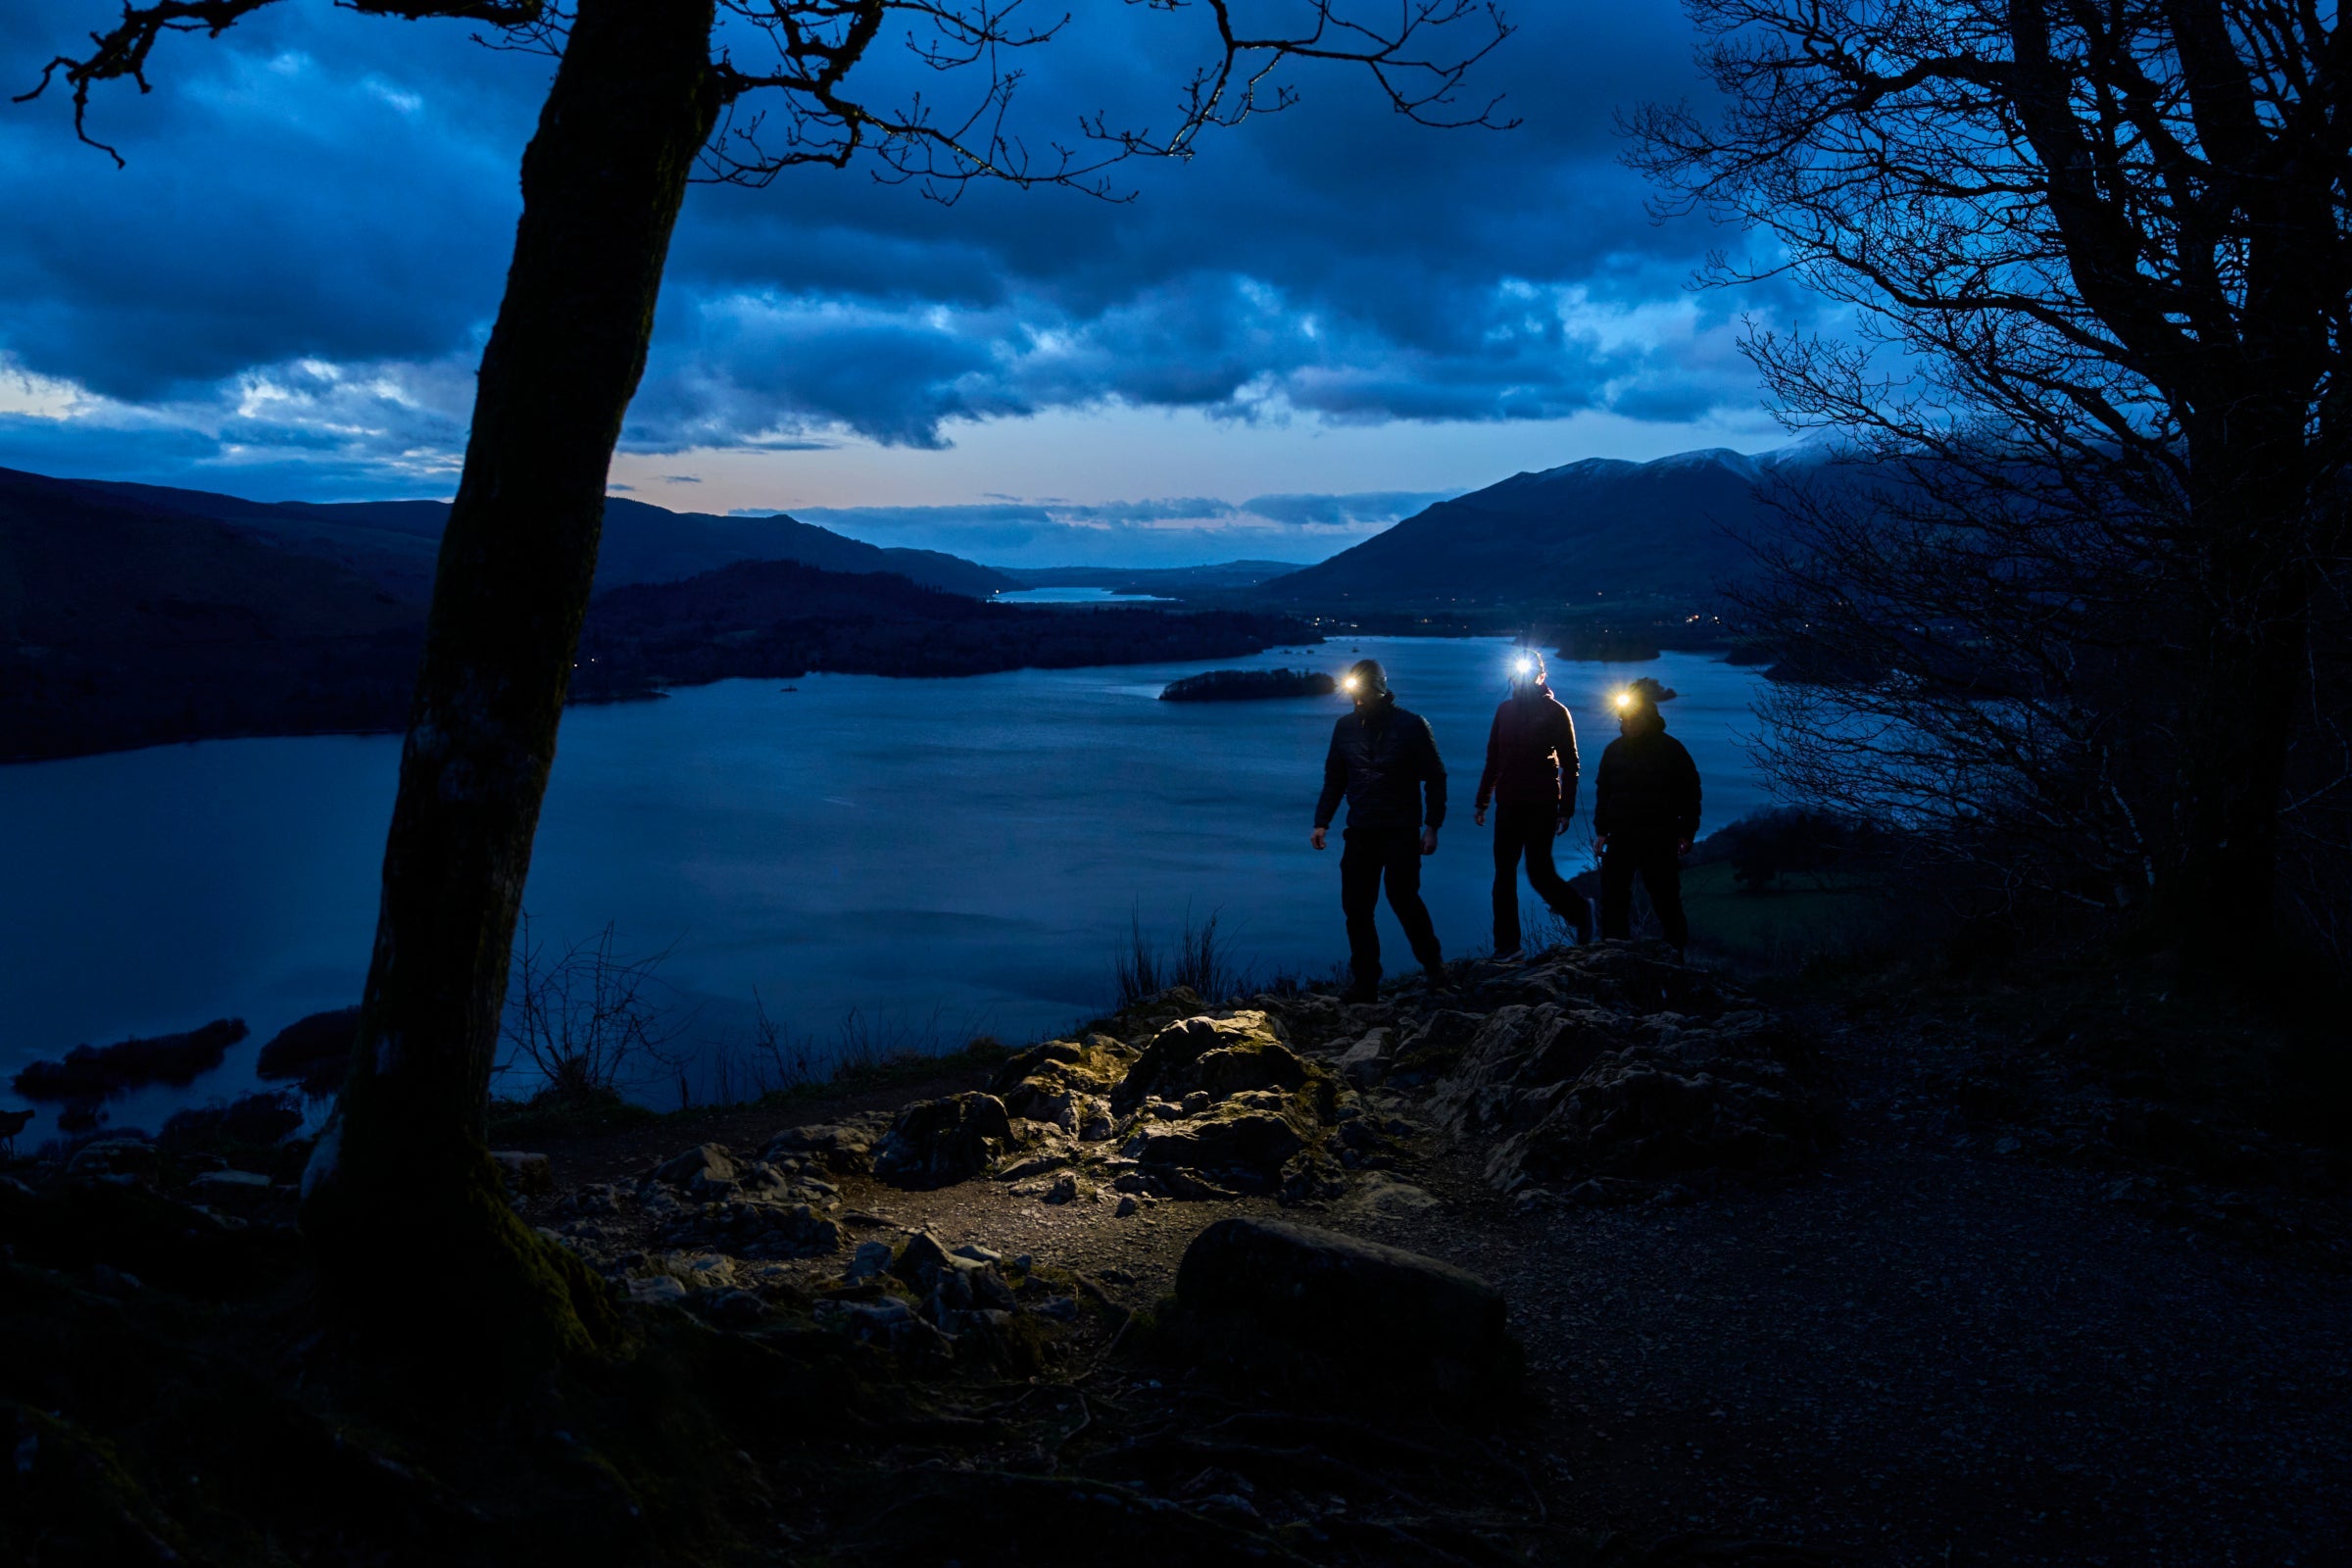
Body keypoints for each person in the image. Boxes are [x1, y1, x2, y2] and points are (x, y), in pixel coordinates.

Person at [1311, 659, 1447, 1003]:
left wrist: (1432, 826)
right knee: (1356, 908)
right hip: (1360, 831)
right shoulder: (1344, 728)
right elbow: (1335, 778)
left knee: (1404, 900)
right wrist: (1322, 822)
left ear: (1379, 689)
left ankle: (1434, 968)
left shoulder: (1412, 726)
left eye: (1364, 692)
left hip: (1400, 829)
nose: (1357, 700)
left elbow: (1436, 777)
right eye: (1353, 693)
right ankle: (1366, 983)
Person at [1473, 650, 1593, 954]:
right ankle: (1507, 947)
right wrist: (1483, 800)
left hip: (1541, 802)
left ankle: (1581, 912)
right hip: (1509, 802)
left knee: (1539, 872)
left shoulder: (1556, 712)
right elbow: (1493, 758)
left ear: (1541, 676)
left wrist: (1565, 809)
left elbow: (1571, 763)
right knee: (1503, 874)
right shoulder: (1504, 710)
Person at [1593, 675, 1701, 951]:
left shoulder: (1670, 750)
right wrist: (1602, 831)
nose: (1628, 724)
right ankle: (1613, 950)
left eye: (1634, 718)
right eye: (1624, 719)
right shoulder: (1613, 751)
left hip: (1659, 836)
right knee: (1613, 896)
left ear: (1647, 718)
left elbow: (1690, 793)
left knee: (1665, 897)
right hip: (1622, 836)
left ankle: (1676, 954)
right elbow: (1604, 791)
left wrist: (1686, 832)